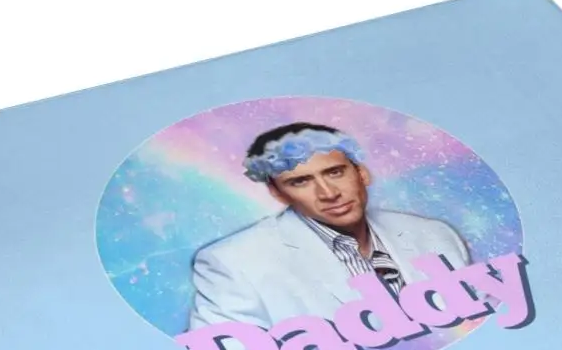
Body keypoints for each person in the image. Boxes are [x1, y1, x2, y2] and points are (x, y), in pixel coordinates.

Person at [187, 122, 471, 331]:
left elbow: (476, 322)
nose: (328, 193)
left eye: (335, 172)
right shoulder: (233, 262)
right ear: (277, 193)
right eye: (300, 181)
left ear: (362, 173)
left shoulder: (435, 235)